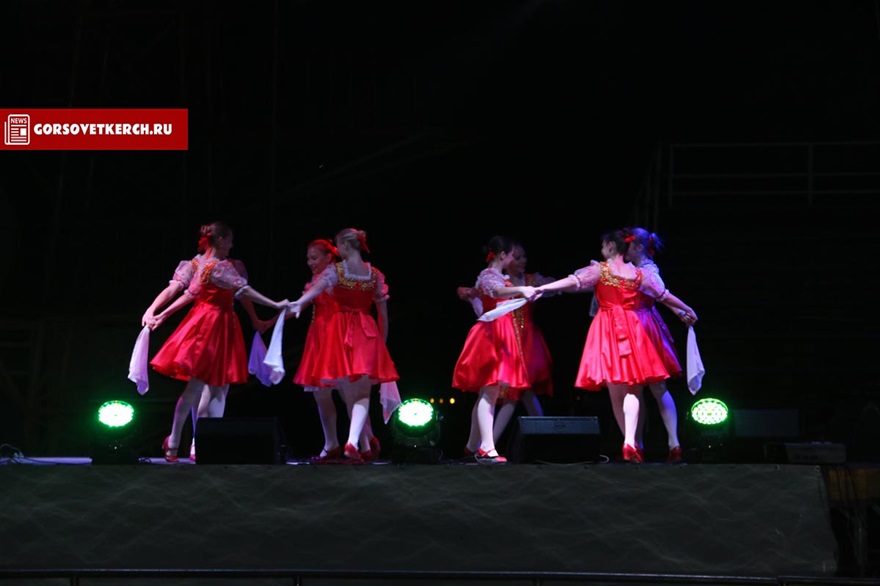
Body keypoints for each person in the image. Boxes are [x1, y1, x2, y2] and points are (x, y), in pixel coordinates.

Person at [532, 229, 695, 463]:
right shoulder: (639, 273)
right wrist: (686, 309)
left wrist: (543, 288)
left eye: (603, 246)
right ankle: (651, 443)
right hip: (636, 328)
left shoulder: (601, 270)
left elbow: (574, 281)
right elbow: (664, 295)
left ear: (610, 246)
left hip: (611, 328)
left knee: (623, 388)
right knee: (639, 388)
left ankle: (631, 443)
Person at [142, 221, 289, 462]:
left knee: (217, 386)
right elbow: (238, 291)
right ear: (220, 240)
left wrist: (255, 319)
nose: (232, 244)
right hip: (209, 326)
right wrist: (157, 311)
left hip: (220, 326)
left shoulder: (217, 265)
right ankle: (180, 441)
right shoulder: (213, 266)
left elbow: (196, 293)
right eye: (230, 239)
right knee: (200, 387)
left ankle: (196, 442)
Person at [287, 228, 398, 463]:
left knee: (351, 392)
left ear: (346, 246)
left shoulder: (337, 271)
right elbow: (383, 313)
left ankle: (354, 443)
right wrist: (382, 342)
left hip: (342, 332)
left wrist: (299, 303)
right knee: (360, 394)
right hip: (367, 333)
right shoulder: (375, 274)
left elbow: (317, 288)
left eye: (338, 246)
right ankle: (353, 442)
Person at [456, 240, 554, 444]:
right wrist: (522, 290)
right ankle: (486, 446)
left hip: (506, 335)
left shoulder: (502, 278)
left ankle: (474, 446)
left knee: (491, 392)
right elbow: (496, 293)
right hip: (493, 335)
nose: (515, 259)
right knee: (490, 391)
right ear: (502, 255)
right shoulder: (488, 276)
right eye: (512, 255)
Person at [624, 226, 698, 464]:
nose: (624, 250)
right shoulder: (630, 268)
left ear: (638, 247)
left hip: (643, 328)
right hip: (633, 326)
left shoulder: (647, 270)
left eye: (627, 246)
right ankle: (639, 444)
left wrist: (681, 311)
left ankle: (672, 443)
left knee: (653, 387)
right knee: (639, 389)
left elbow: (661, 294)